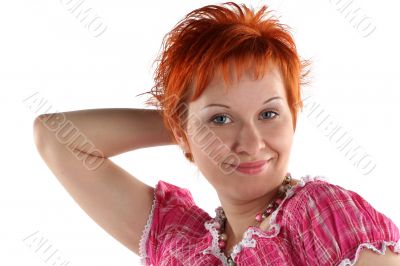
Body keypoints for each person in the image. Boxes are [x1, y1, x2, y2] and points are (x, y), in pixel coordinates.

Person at [33, 2, 400, 265]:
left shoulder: (320, 213)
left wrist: (201, 123)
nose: (252, 143)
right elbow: (56, 138)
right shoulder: (179, 242)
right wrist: (187, 126)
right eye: (222, 120)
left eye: (269, 113)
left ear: (294, 118)